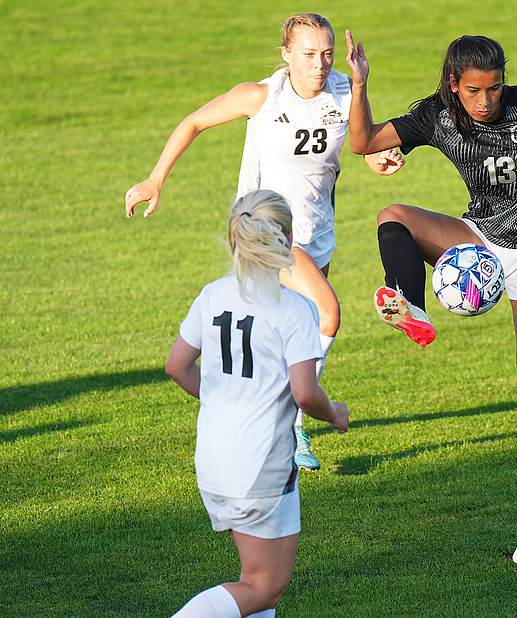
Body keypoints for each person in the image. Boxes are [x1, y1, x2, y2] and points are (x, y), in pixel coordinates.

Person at [344, 31, 517, 564]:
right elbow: (362, 143)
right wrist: (359, 84)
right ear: (454, 85)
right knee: (394, 215)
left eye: (494, 89)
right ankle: (410, 307)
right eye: (474, 91)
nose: (486, 101)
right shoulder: (438, 116)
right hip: (482, 239)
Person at [126, 13, 402, 471]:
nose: (319, 65)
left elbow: (361, 146)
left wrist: (381, 158)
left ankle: (268, 420)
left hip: (316, 232)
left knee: (296, 329)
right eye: (309, 54)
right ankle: (290, 423)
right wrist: (156, 179)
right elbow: (194, 121)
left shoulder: (342, 91)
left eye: (327, 54)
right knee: (329, 313)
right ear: (286, 54)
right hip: (262, 227)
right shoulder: (262, 96)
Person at [165, 189, 350, 618]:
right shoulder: (295, 309)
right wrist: (334, 413)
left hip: (212, 457)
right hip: (260, 463)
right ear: (287, 239)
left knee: (255, 576)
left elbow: (177, 366)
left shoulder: (212, 295)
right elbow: (305, 392)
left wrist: (222, 397)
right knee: (262, 587)